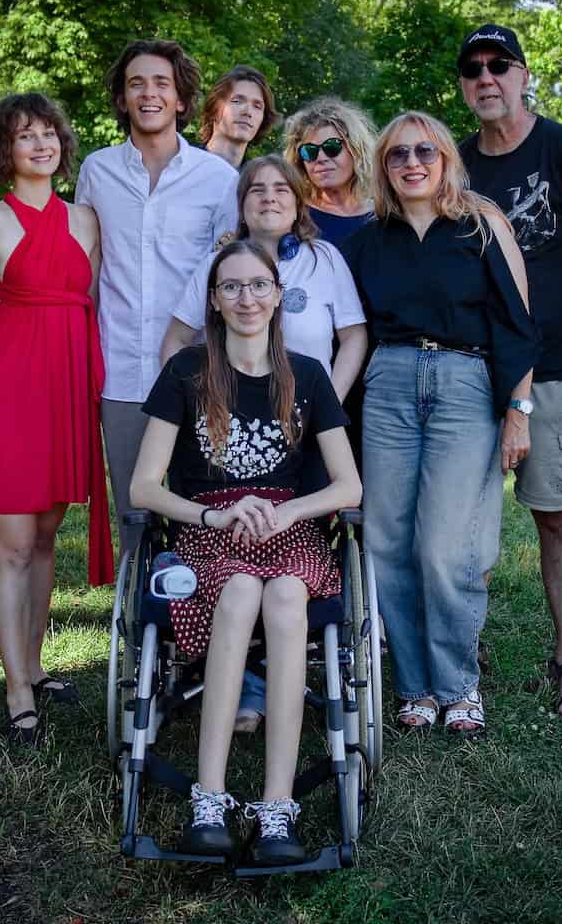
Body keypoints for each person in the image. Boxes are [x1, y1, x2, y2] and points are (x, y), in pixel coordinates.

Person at [130, 239, 362, 865]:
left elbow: (348, 486)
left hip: (289, 527)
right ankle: (209, 799)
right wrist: (216, 513)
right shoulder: (186, 372)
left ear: (278, 295)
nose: (246, 298)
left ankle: (277, 806)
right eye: (231, 287)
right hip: (212, 526)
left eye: (258, 285)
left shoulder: (306, 375)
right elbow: (143, 486)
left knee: (285, 597)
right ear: (213, 300)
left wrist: (288, 511)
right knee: (237, 591)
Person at [344, 111, 539, 736]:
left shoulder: (481, 226)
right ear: (383, 167)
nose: (412, 163)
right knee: (387, 543)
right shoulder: (370, 240)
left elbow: (517, 324)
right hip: (389, 385)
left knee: (445, 547)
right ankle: (416, 687)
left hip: (464, 384)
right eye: (398, 155)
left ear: (446, 159)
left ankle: (458, 685)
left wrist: (518, 413)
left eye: (425, 151)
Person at [454, 23, 562, 717]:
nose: (486, 77)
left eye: (500, 64)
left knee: (556, 513)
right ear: (463, 85)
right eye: (473, 68)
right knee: (462, 518)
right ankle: (460, 648)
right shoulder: (453, 164)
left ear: (524, 76)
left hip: (556, 370)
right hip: (472, 369)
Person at [160, 156, 368, 733]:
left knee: (285, 557)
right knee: (238, 555)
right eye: (256, 190)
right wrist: (190, 406)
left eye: (281, 189)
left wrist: (322, 405)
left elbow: (353, 337)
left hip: (304, 437)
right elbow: (178, 339)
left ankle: (278, 677)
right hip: (227, 447)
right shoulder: (219, 265)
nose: (269, 198)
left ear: (299, 201)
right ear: (241, 203)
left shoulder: (324, 260)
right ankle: (246, 688)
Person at [0, 93, 111, 744]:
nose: (41, 144)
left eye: (49, 133)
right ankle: (15, 685)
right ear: (5, 149)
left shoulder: (87, 221)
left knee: (47, 536)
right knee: (15, 543)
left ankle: (36, 663)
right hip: (9, 388)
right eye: (26, 135)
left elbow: (91, 303)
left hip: (67, 386)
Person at [75, 39, 239, 565]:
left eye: (161, 83)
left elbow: (231, 276)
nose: (149, 94)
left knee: (204, 508)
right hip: (120, 369)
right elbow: (86, 267)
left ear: (181, 99)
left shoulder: (219, 179)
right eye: (136, 84)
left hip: (200, 369)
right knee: (135, 515)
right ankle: (138, 611)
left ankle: (200, 611)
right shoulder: (97, 171)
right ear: (122, 99)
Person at [282, 97, 377, 249]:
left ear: (356, 150)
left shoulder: (382, 216)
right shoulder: (293, 216)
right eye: (310, 151)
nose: (320, 158)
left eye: (331, 147)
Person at [197, 65, 278, 169]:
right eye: (237, 101)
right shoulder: (183, 164)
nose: (248, 112)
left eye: (257, 106)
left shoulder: (255, 178)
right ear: (214, 108)